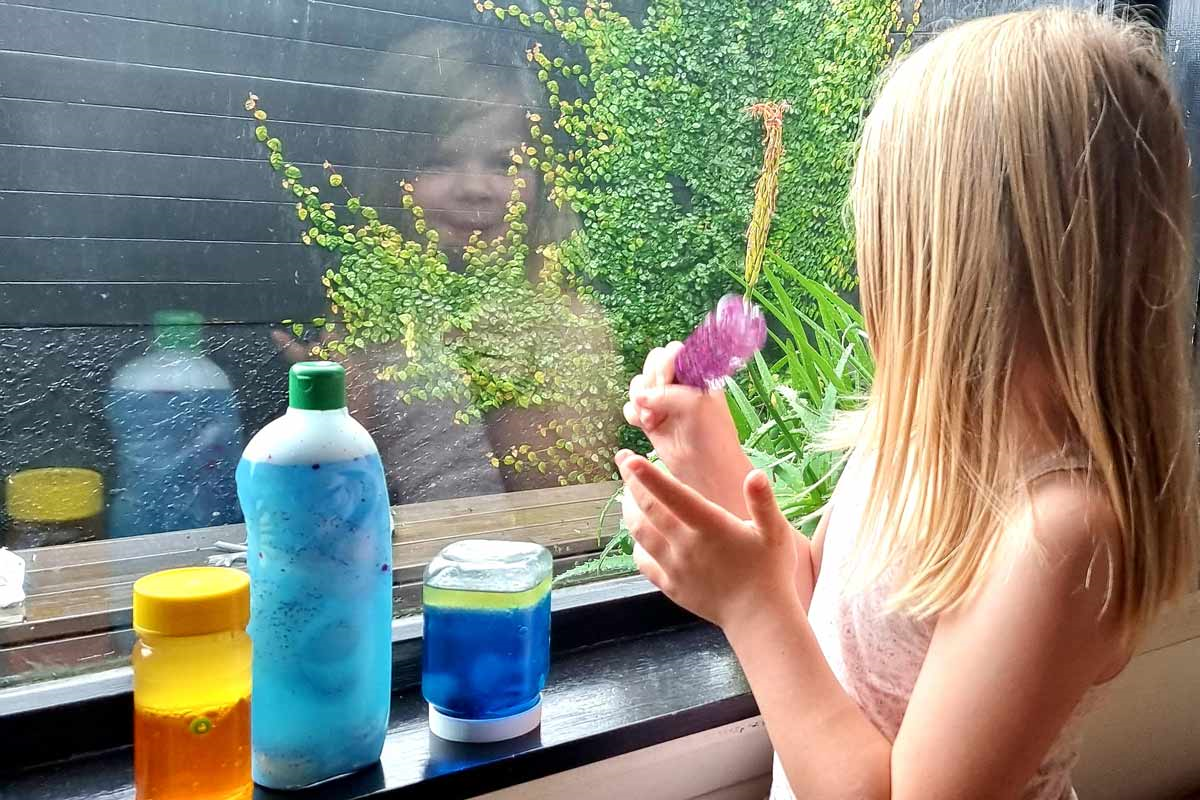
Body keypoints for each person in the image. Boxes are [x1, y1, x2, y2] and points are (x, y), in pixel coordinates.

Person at [618, 9, 1198, 799]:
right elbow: (818, 609)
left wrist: (747, 607)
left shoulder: (1065, 532)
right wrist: (710, 458)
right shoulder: (912, 444)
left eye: (884, 236)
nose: (869, 269)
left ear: (956, 264)